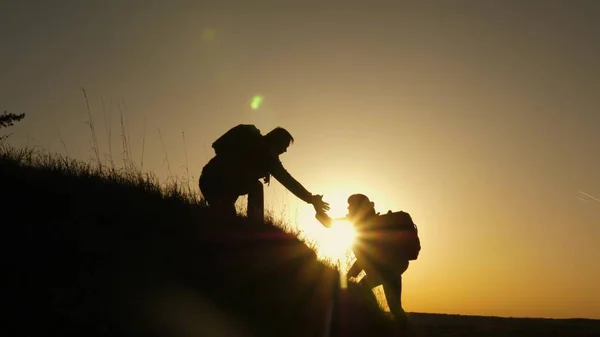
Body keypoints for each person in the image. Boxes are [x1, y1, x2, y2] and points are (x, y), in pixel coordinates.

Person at [315, 194, 418, 326]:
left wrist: (350, 275)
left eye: (350, 205)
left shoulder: (365, 224)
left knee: (364, 288)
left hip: (388, 268)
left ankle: (374, 323)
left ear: (358, 207)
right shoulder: (368, 222)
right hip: (396, 266)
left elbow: (367, 256)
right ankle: (403, 329)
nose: (348, 208)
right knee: (395, 308)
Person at [199, 124, 330, 222]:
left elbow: (217, 146)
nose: (284, 151)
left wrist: (256, 167)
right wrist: (311, 199)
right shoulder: (267, 155)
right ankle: (256, 224)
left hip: (208, 178)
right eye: (284, 146)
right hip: (218, 183)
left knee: (225, 219)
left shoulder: (250, 135)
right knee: (255, 187)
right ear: (276, 141)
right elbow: (288, 181)